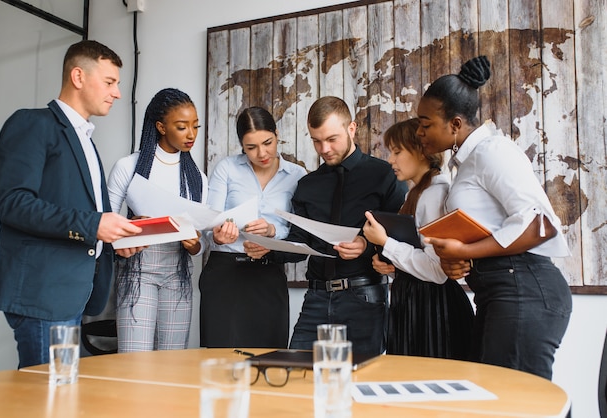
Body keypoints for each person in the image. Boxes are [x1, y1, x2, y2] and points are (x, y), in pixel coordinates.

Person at [0, 40, 142, 368]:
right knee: (47, 400)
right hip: (43, 293)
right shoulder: (33, 124)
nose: (116, 93)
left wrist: (114, 241)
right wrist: (95, 225)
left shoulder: (86, 140)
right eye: (110, 82)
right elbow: (14, 203)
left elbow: (82, 212)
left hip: (74, 292)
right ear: (78, 76)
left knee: (57, 398)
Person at [416, 56, 572, 380]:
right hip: (500, 292)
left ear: (455, 124)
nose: (419, 132)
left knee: (515, 404)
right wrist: (457, 261)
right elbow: (493, 230)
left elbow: (539, 225)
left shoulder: (492, 151)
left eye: (425, 123)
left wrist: (466, 253)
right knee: (491, 400)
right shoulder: (467, 163)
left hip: (524, 289)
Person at [245, 96, 408, 355]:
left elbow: (401, 238)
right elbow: (301, 241)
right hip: (316, 299)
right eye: (316, 140)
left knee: (362, 383)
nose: (324, 149)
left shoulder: (385, 175)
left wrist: (366, 246)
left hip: (365, 296)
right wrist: (269, 248)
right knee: (296, 377)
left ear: (351, 129)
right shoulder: (308, 185)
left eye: (331, 139)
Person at [362, 118, 474, 360]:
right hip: (416, 306)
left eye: (397, 152)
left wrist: (386, 244)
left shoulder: (434, 194)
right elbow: (420, 259)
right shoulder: (417, 193)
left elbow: (437, 271)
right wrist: (392, 267)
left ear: (422, 151)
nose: (391, 160)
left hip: (432, 311)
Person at [107, 88, 207, 352]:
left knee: (172, 366)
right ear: (161, 127)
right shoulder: (128, 167)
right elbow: (103, 228)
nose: (191, 134)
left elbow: (201, 247)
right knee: (133, 360)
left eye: (195, 126)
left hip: (178, 276)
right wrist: (132, 228)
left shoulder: (197, 178)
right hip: (138, 273)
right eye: (182, 127)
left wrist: (193, 244)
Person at [199, 106, 307, 348]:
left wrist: (272, 232)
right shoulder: (226, 169)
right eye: (251, 147)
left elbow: (302, 234)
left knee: (270, 357)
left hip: (268, 276)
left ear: (277, 134)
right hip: (225, 274)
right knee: (221, 361)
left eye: (268, 142)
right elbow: (208, 224)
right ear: (241, 145)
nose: (262, 153)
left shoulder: (297, 175)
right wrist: (217, 236)